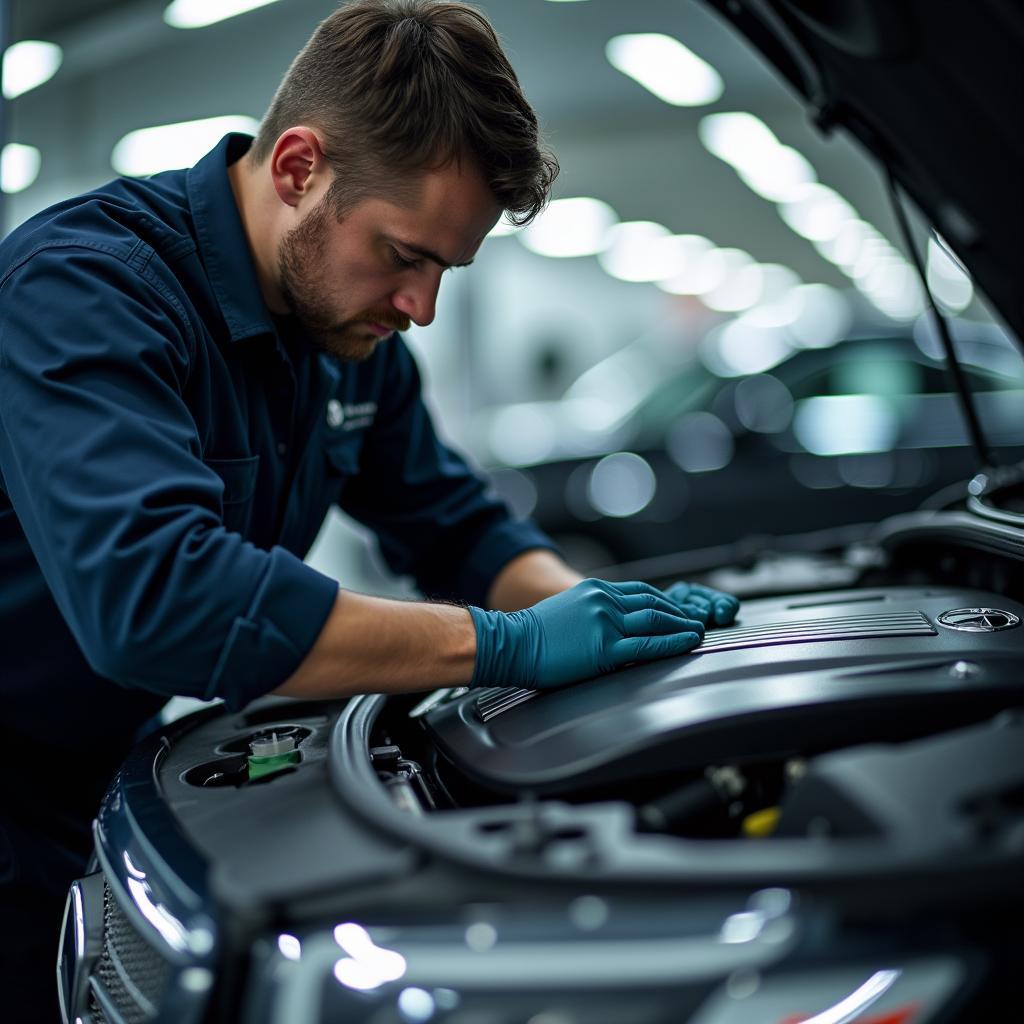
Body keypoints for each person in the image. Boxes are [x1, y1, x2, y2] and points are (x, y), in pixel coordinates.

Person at [0, 1, 738, 1018]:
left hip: (95, 781)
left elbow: (455, 524)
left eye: (446, 267)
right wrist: (507, 646)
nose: (421, 308)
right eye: (404, 254)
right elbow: (159, 598)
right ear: (298, 167)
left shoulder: (346, 338)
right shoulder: (88, 290)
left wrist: (599, 625)